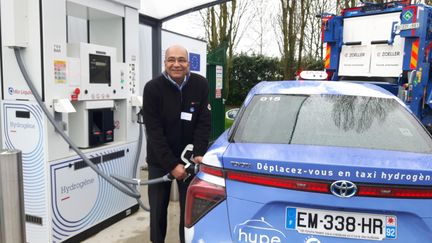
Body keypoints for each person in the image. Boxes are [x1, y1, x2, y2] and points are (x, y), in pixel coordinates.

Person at [142, 45, 211, 243]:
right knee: (157, 213)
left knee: (189, 214)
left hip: (189, 161)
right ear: (165, 63)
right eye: (171, 60)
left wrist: (199, 152)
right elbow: (154, 132)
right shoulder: (153, 88)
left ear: (188, 63)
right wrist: (172, 165)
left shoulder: (200, 84)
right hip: (159, 160)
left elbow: (203, 122)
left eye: (181, 60)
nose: (176, 64)